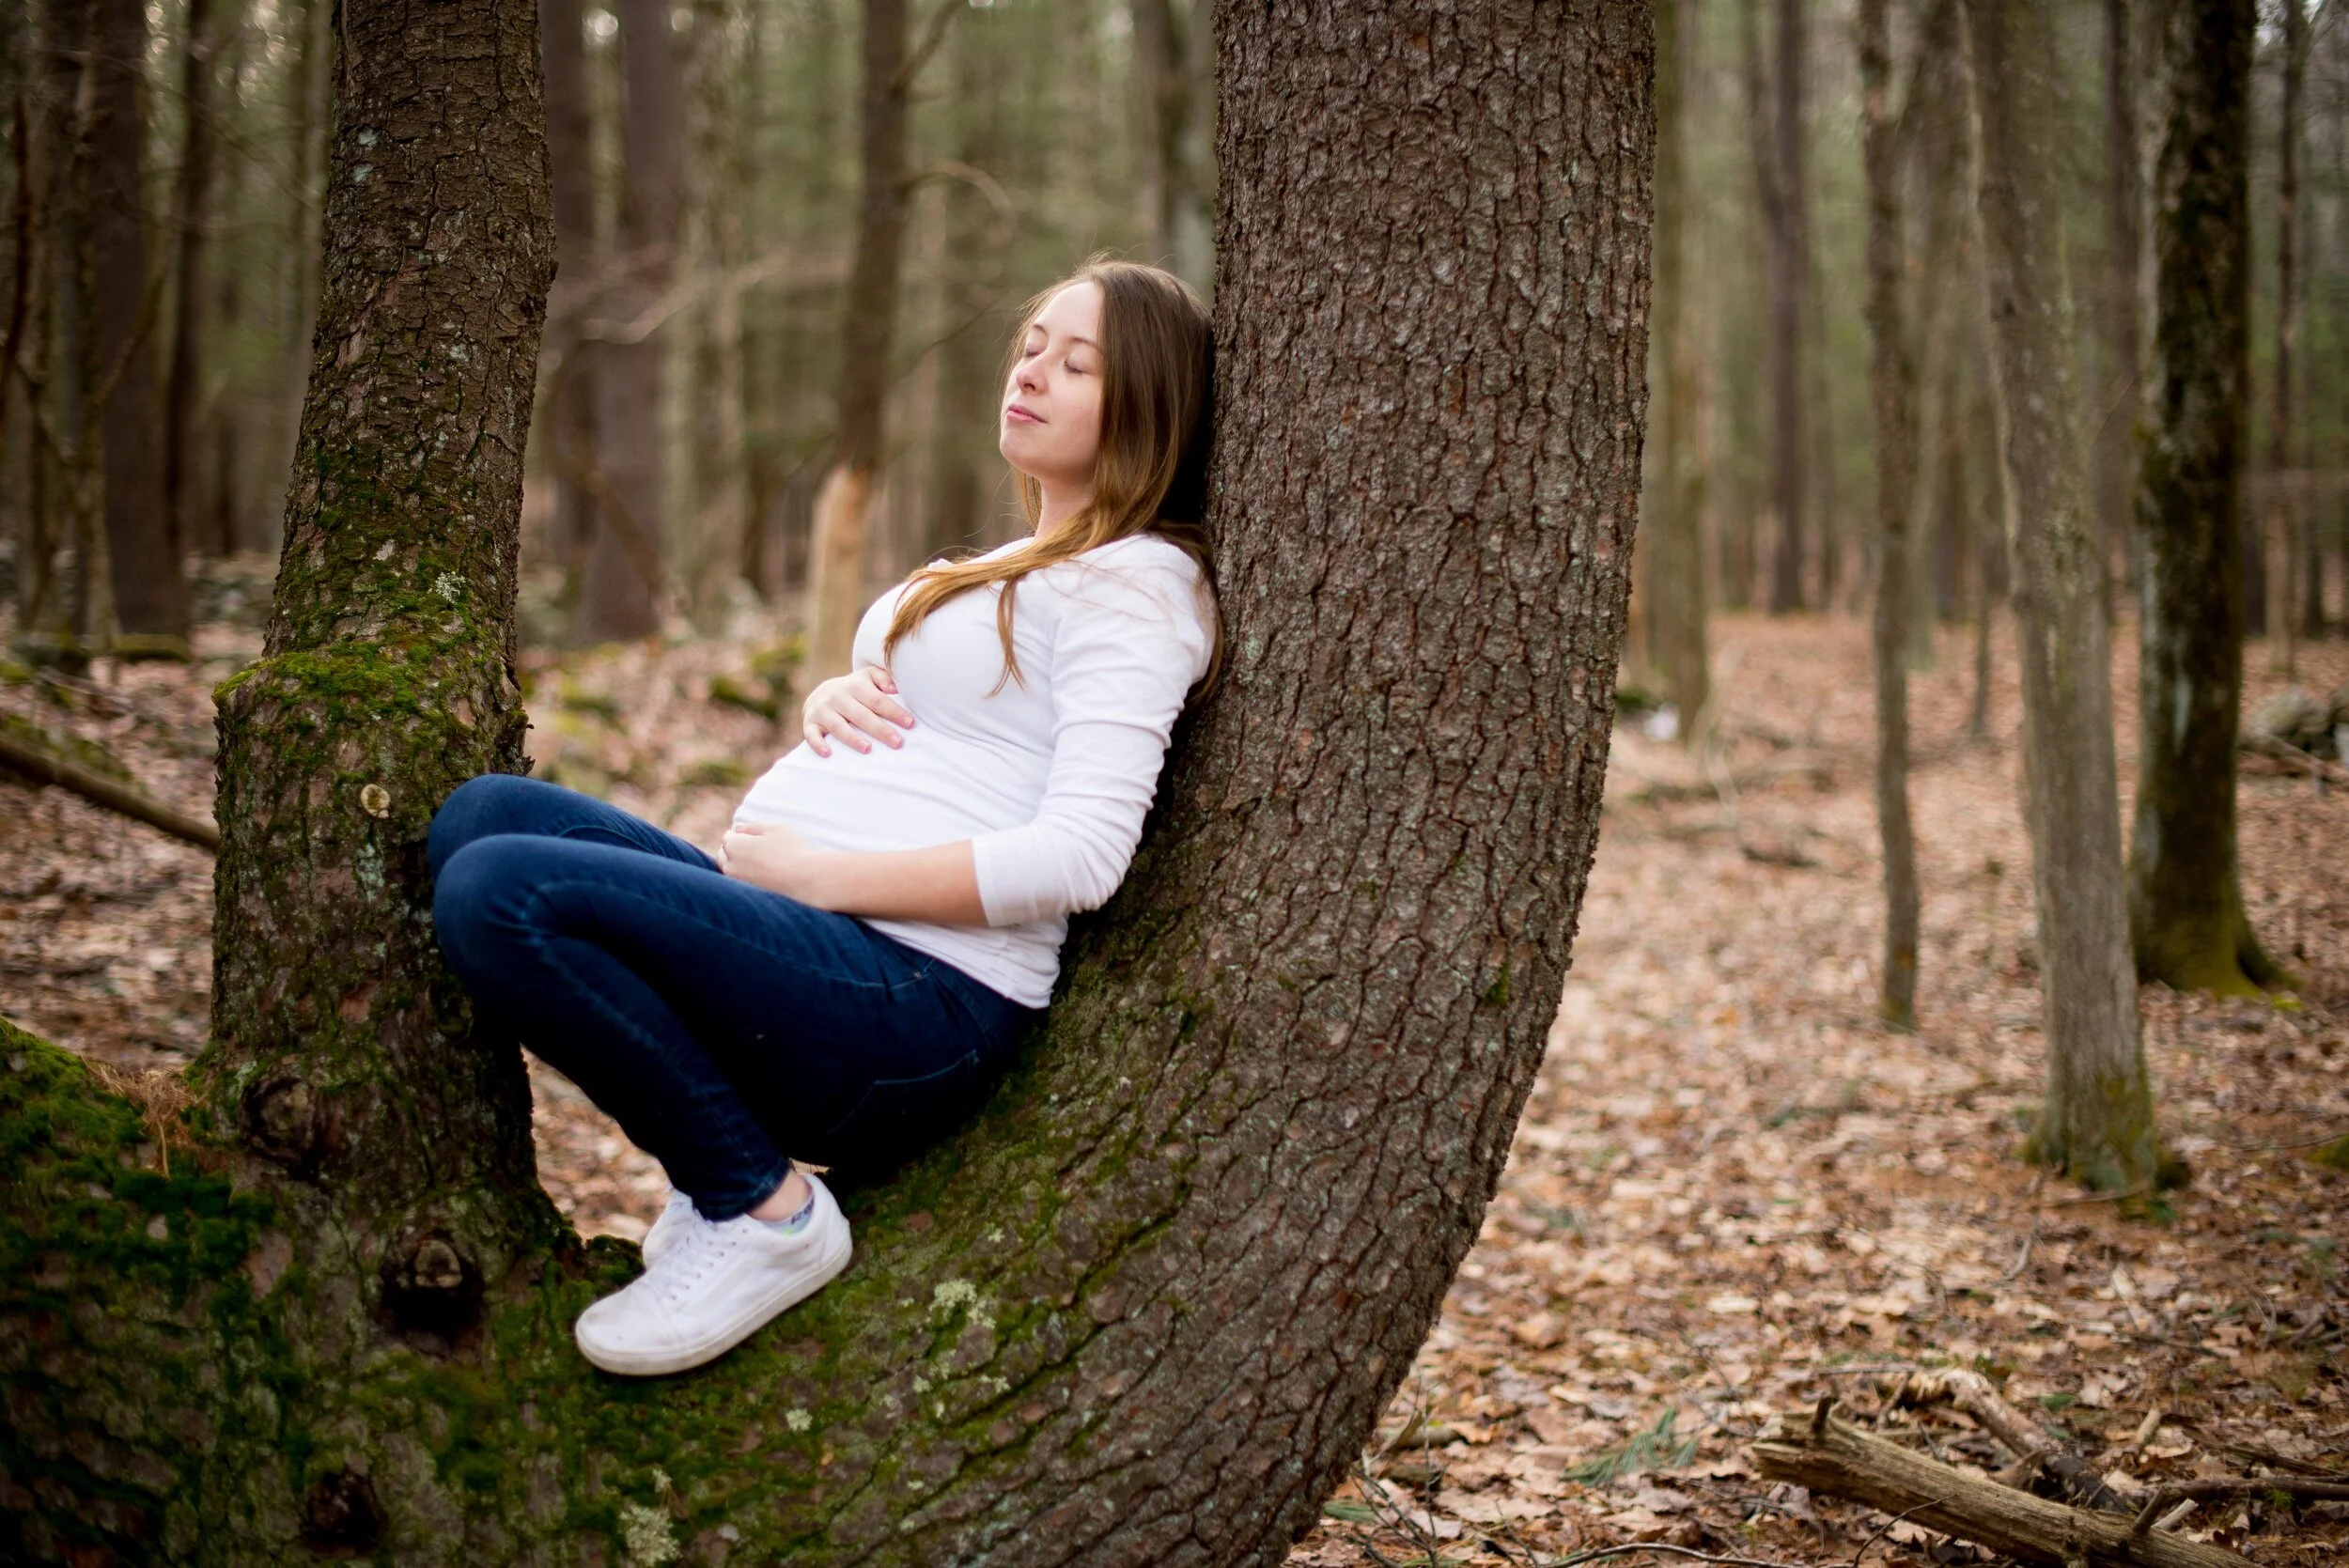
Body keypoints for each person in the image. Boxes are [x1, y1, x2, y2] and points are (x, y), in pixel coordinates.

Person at [428, 258, 1221, 1377]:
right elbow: (954, 724)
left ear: (1147, 409)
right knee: (481, 815)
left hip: (915, 999)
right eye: (1032, 345)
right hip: (821, 951)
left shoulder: (1136, 587)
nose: (1031, 372)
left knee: (498, 891)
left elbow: (1083, 855)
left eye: (1077, 364)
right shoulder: (1020, 563)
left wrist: (818, 875)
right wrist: (837, 698)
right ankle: (723, 1167)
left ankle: (760, 1208)